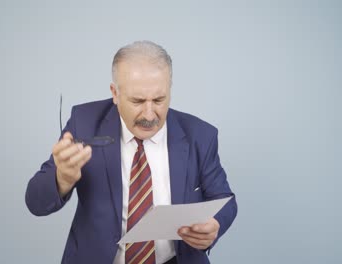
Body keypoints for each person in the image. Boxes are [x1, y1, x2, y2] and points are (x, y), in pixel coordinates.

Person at [25, 40, 238, 264]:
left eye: (159, 100)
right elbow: (35, 202)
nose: (149, 114)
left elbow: (224, 199)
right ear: (115, 93)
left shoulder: (200, 135)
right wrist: (61, 179)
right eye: (137, 101)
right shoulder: (84, 123)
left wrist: (215, 224)